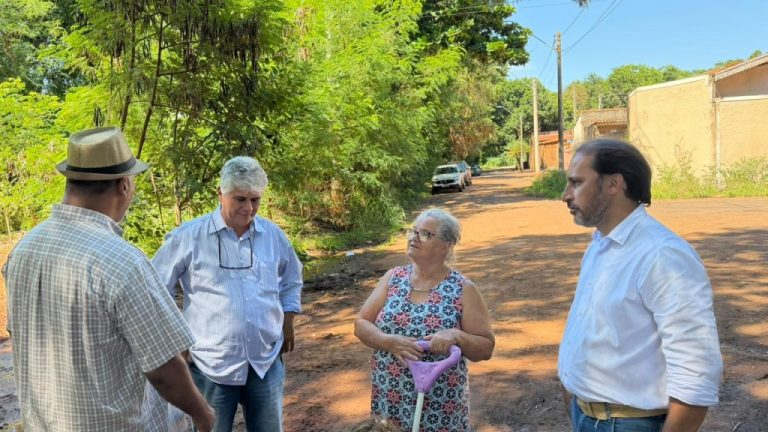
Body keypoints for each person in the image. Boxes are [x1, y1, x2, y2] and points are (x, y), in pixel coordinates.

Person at [1, 126, 214, 431]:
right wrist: (202, 413)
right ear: (124, 185)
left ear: (70, 182)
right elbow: (164, 369)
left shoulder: (23, 251)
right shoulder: (123, 262)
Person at [558, 139, 723, 432]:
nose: (565, 195)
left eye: (576, 182)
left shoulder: (662, 254)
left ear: (613, 184)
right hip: (588, 416)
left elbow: (696, 370)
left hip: (628, 423)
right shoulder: (600, 245)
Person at [152, 156, 303, 432]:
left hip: (265, 360)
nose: (249, 208)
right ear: (220, 194)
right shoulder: (188, 237)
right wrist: (176, 340)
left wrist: (289, 317)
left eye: (255, 200)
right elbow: (156, 289)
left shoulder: (273, 236)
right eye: (240, 199)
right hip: (211, 364)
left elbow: (292, 278)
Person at [354, 208, 495, 432]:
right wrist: (388, 342)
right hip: (389, 397)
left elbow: (486, 347)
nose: (414, 237)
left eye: (425, 234)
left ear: (446, 245)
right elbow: (361, 323)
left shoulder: (463, 289)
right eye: (413, 231)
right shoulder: (393, 277)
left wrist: (456, 336)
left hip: (440, 406)